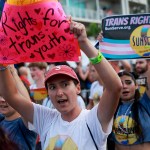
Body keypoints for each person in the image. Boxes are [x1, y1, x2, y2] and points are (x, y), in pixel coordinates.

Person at [0, 18, 122, 149]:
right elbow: (11, 96)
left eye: (65, 84)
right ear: (48, 93)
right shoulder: (46, 119)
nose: (59, 92)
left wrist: (84, 43)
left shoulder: (93, 120)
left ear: (78, 88)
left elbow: (114, 87)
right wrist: (3, 58)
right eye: (52, 87)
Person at [109, 69, 150, 150]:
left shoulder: (145, 102)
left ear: (136, 86)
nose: (124, 86)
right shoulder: (111, 107)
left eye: (128, 82)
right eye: (120, 83)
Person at [0, 65, 37, 150]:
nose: (2, 100)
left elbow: (27, 105)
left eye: (7, 96)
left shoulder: (24, 125)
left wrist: (13, 71)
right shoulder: (1, 119)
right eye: (0, 95)